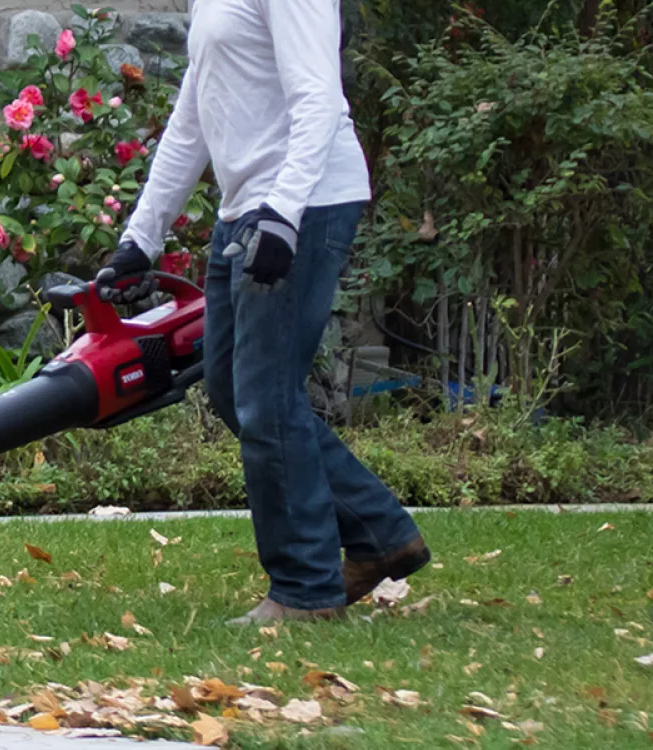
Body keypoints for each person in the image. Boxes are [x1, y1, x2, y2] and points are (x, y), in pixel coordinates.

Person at [97, 0, 428, 624]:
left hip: (300, 204)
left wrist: (284, 215)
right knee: (229, 387)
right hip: (246, 209)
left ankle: (305, 589)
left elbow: (319, 99)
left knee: (267, 397)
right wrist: (141, 237)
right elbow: (194, 113)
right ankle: (380, 532)